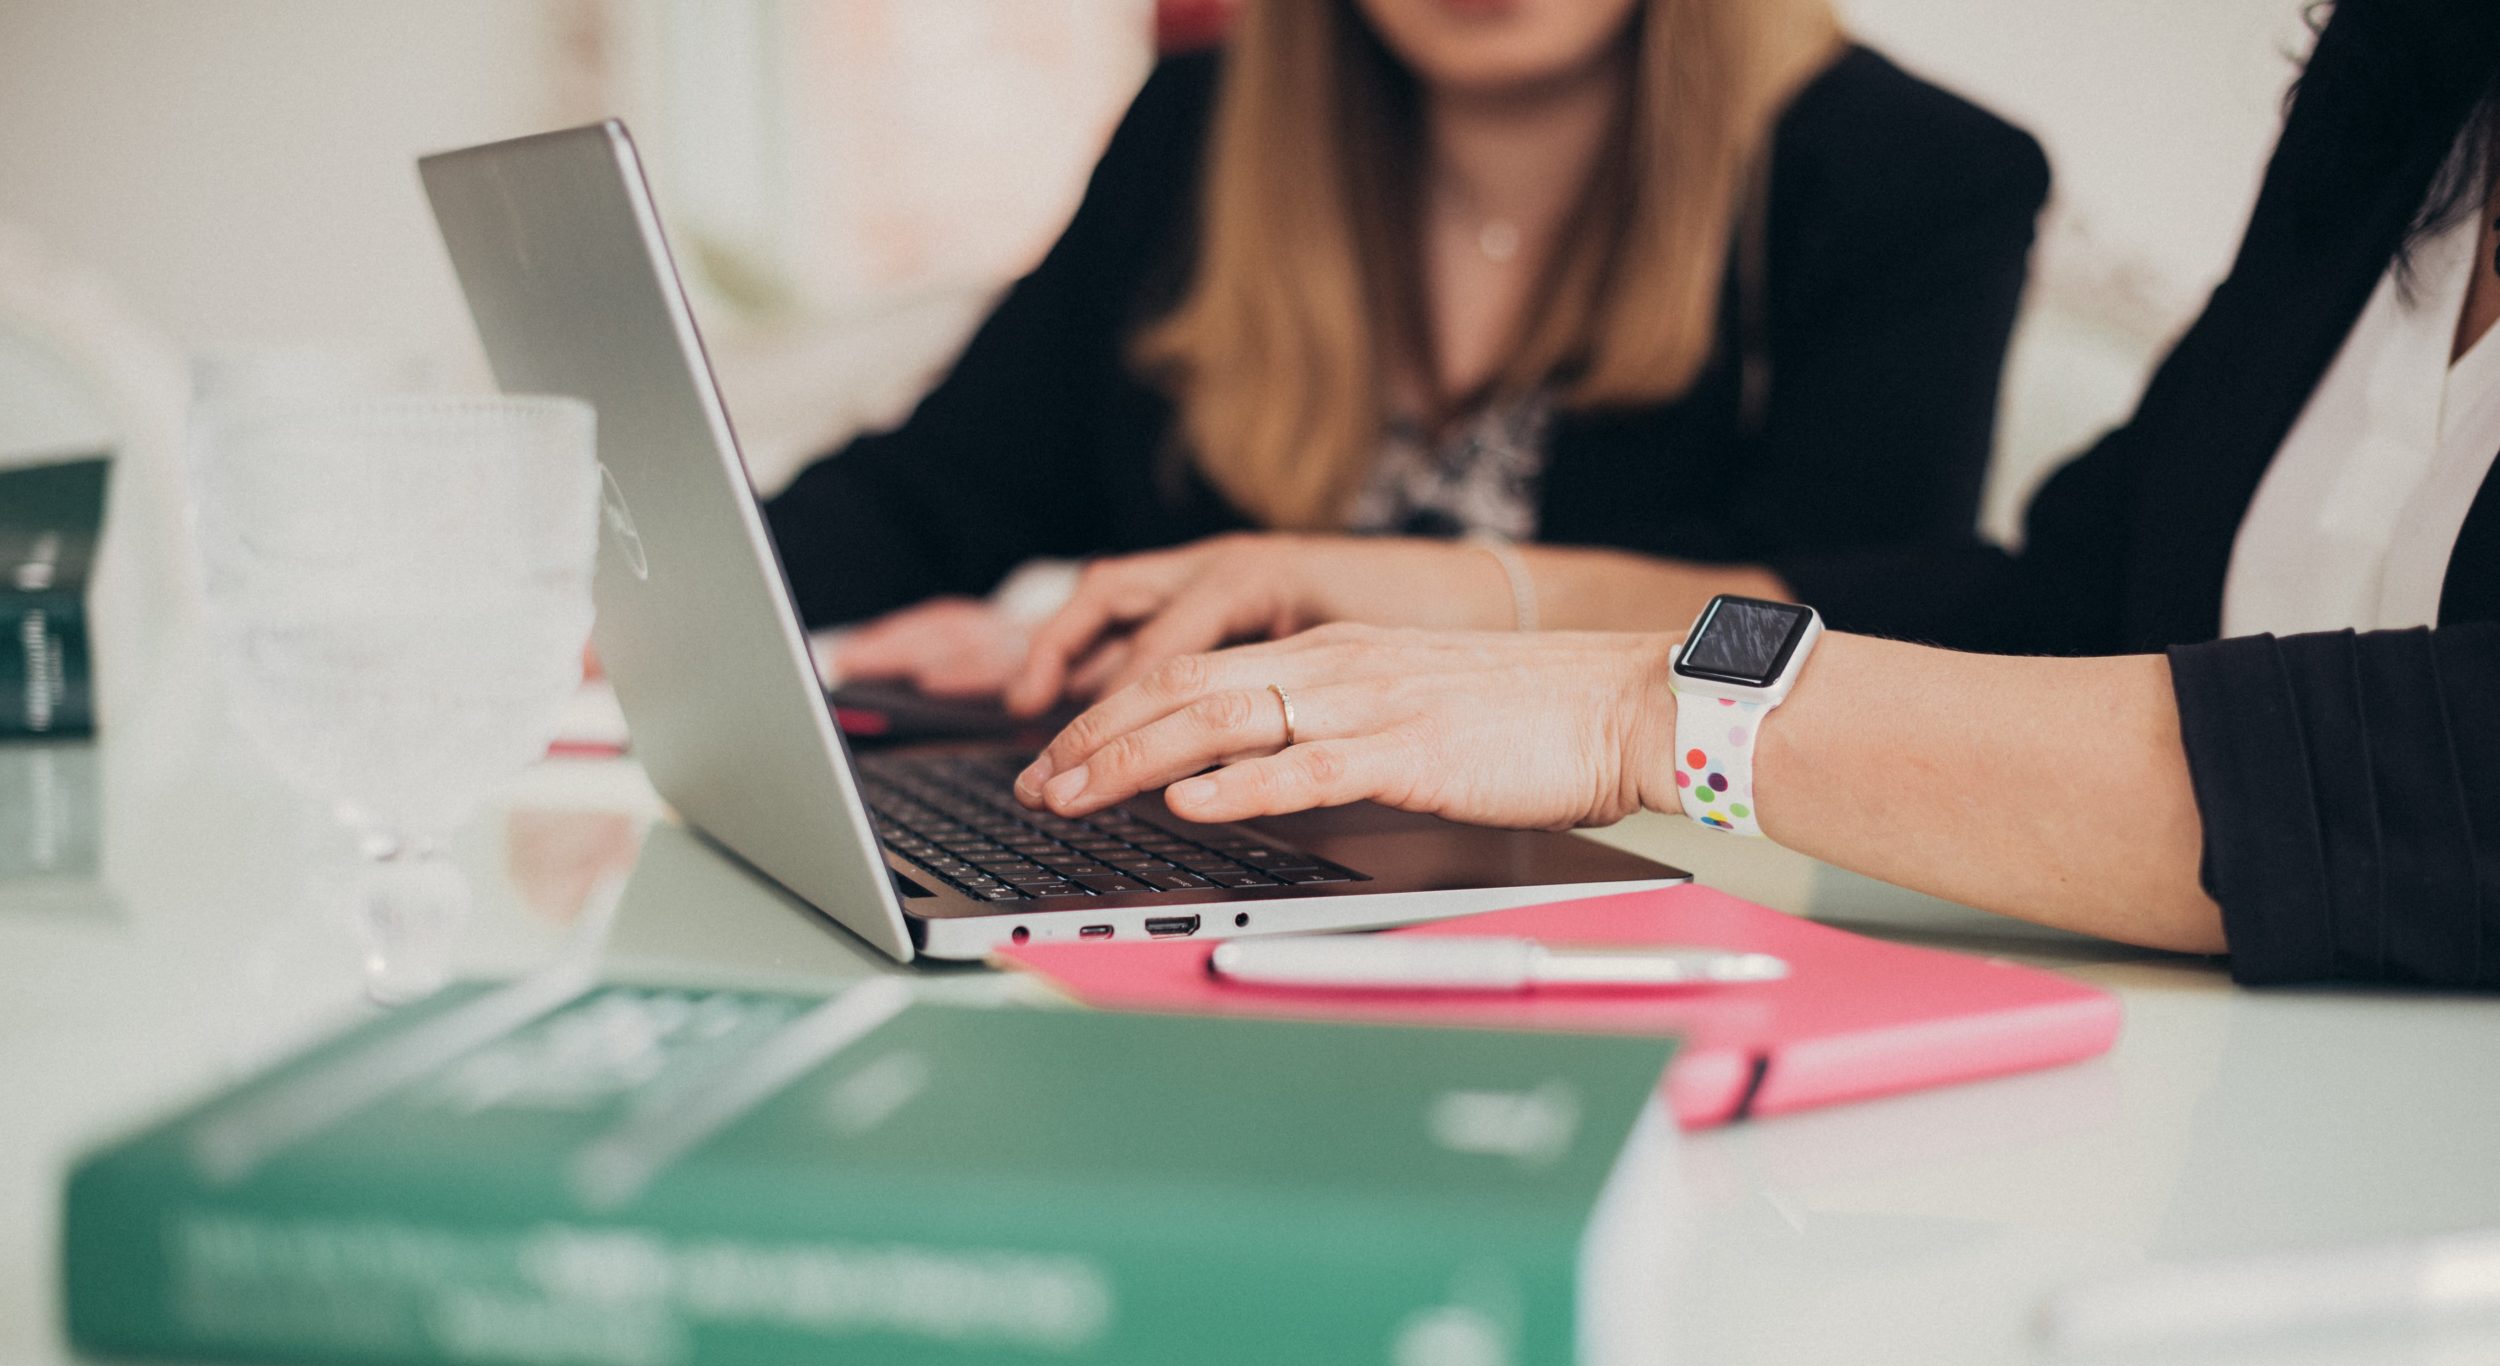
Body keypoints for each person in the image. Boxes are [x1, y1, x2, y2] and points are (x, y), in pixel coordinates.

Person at [1012, 0, 2500, 991]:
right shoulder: (2407, 99)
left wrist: (1647, 709)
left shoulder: (1892, 169)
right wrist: (1497, 604)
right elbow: (2051, 613)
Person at [765, 0, 2049, 700]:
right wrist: (643, 597)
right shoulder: (1198, 132)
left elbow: (1863, 617)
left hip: (1661, 876)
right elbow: (937, 494)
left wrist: (1116, 637)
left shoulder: (1914, 175)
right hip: (1217, 851)